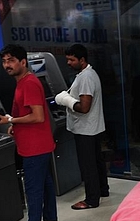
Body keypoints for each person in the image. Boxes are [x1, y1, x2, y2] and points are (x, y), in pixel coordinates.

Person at [0, 44, 59, 221]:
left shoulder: (28, 83)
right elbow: (28, 114)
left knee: (33, 189)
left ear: (23, 62)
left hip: (34, 147)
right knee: (46, 184)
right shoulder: (24, 82)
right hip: (40, 143)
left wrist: (10, 119)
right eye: (4, 61)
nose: (7, 65)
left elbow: (38, 116)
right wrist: (15, 124)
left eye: (11, 60)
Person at [55, 44, 109, 210]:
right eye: (67, 60)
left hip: (85, 129)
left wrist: (66, 101)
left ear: (82, 60)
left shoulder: (85, 78)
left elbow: (84, 107)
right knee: (97, 160)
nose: (69, 63)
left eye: (72, 60)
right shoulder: (89, 74)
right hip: (93, 127)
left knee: (88, 164)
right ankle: (102, 190)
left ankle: (91, 199)